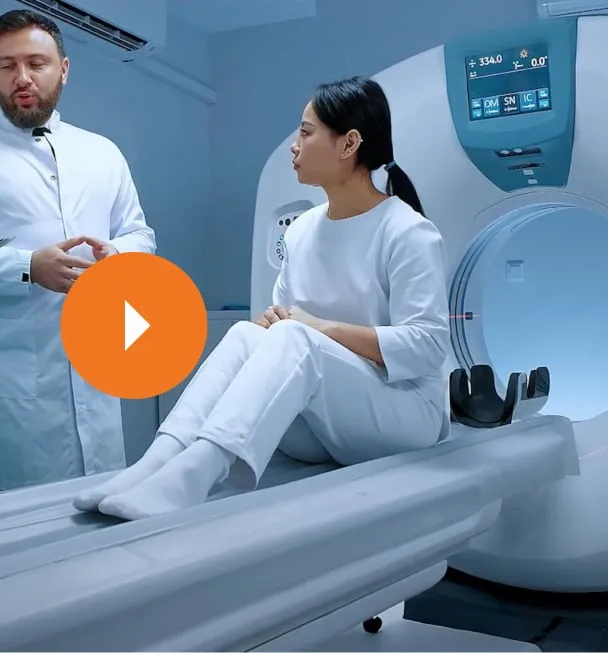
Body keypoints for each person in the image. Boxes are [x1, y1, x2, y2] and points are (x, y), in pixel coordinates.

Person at [74, 76, 451, 520]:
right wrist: (275, 324)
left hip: (402, 417)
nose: (294, 145)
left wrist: (318, 329)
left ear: (349, 144)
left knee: (295, 337)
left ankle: (194, 476)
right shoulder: (303, 230)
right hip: (322, 427)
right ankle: (158, 460)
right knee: (245, 334)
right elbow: (281, 323)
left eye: (306, 132)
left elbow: (428, 347)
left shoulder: (407, 231)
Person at [0, 10, 157, 494]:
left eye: (36, 63)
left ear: (63, 69)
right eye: (7, 65)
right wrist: (28, 267)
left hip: (97, 376)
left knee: (104, 522)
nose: (21, 77)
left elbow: (140, 235)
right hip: (15, 396)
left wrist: (114, 255)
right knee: (16, 531)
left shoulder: (103, 154)